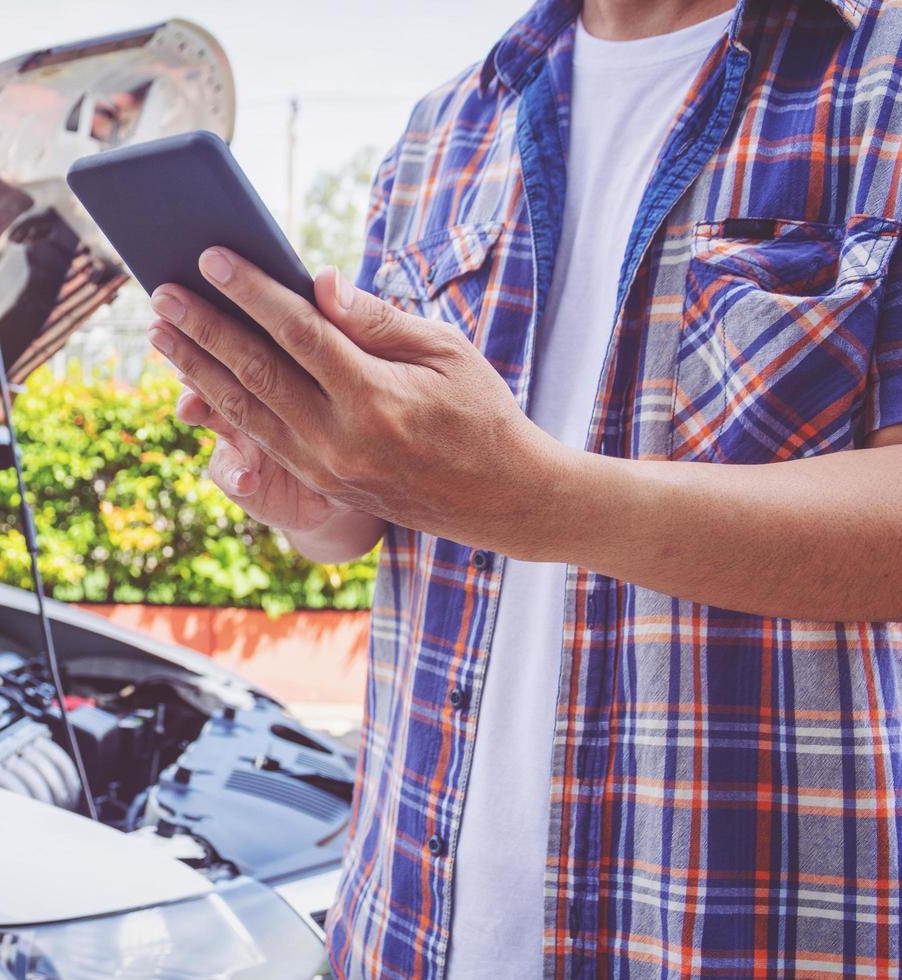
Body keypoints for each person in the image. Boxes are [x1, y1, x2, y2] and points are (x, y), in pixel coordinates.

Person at [145, 0, 902, 976]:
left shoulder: (879, 78)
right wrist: (321, 489)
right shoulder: (444, 128)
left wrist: (543, 502)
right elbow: (384, 518)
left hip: (740, 940)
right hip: (404, 934)